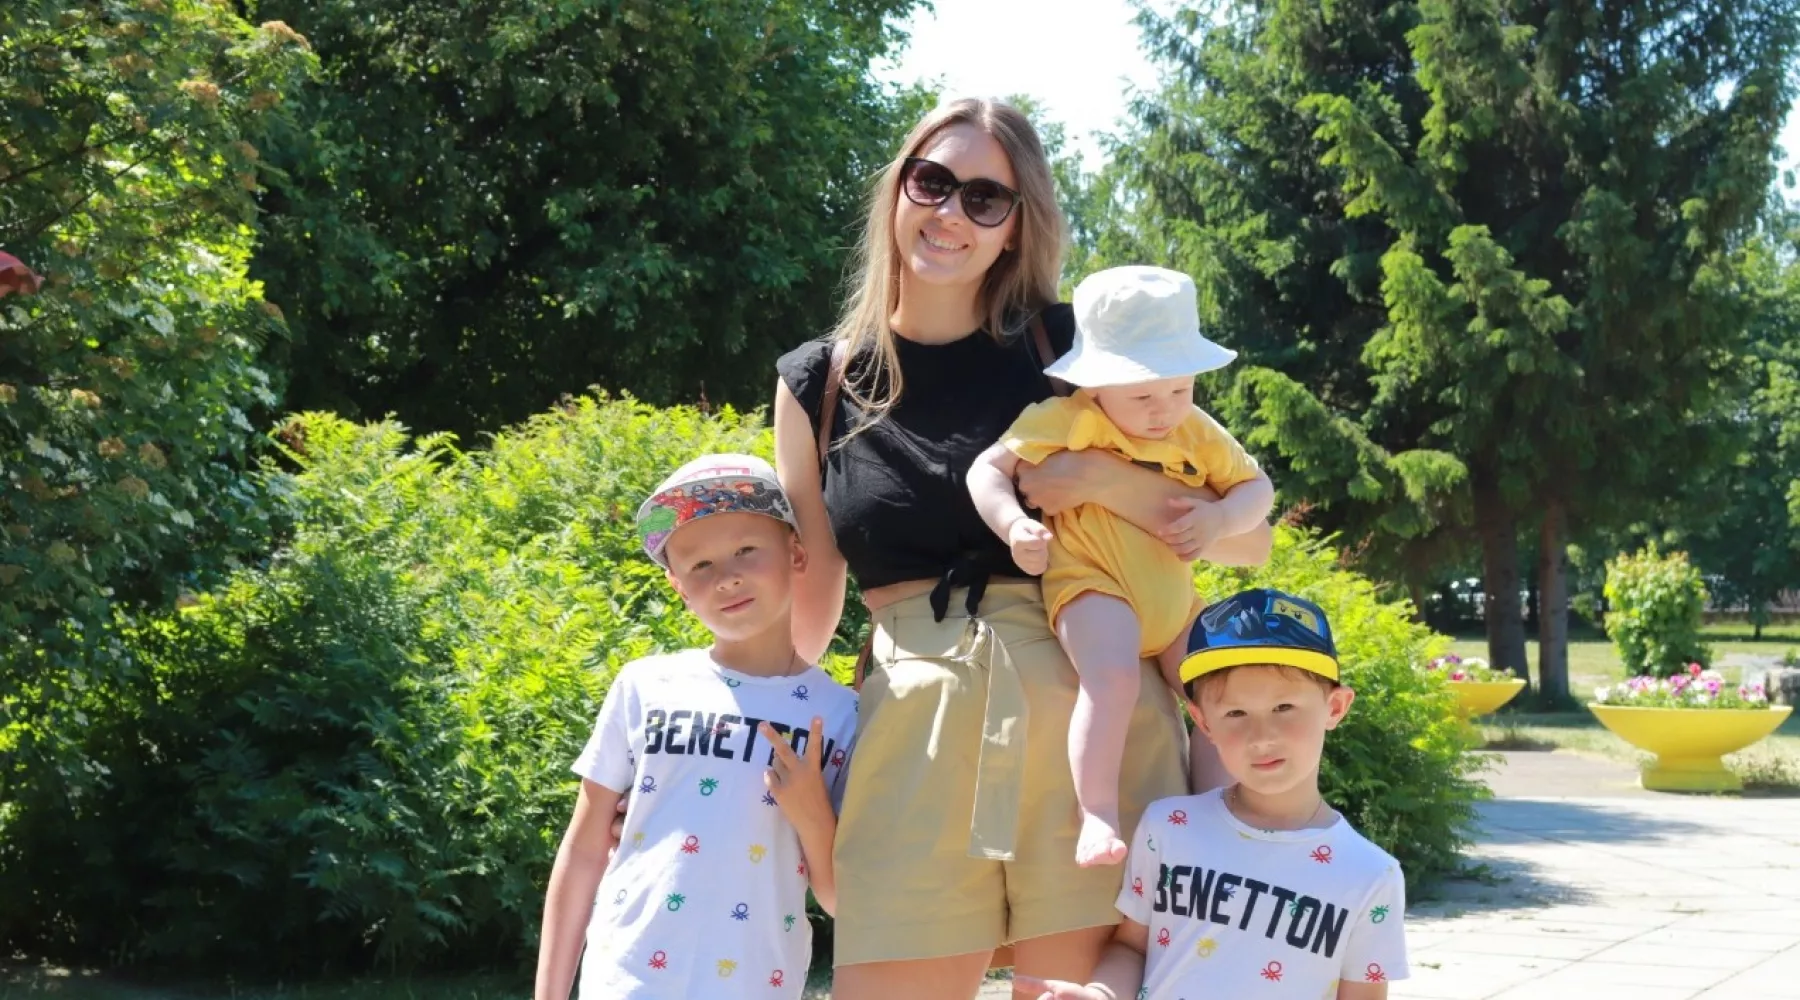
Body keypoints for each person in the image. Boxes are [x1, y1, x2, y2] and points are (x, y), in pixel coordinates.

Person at [770, 97, 1274, 1000]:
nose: (950, 213)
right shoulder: (821, 380)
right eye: (933, 182)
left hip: (1092, 724)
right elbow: (807, 613)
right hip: (913, 736)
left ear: (1017, 224)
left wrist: (1097, 482)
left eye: (985, 198)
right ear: (898, 188)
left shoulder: (1074, 348)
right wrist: (722, 737)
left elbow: (1248, 540)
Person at [968, 264, 1275, 868]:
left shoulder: (1195, 430)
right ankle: (1098, 815)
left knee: (1220, 694)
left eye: (1179, 391)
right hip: (1094, 585)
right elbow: (988, 470)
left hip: (1175, 606)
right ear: (1097, 384)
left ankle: (1220, 816)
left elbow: (1257, 490)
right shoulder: (1067, 419)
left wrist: (1220, 519)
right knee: (1112, 682)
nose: (1164, 411)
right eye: (1142, 396)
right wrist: (1012, 524)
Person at [534, 454, 859, 1000]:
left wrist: (812, 816)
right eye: (700, 565)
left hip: (756, 985)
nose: (727, 577)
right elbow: (584, 851)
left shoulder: (844, 716)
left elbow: (842, 900)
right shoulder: (644, 686)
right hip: (624, 980)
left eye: (746, 550)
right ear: (678, 587)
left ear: (796, 553)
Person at [1016, 589, 1410, 1000]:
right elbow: (1132, 947)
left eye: (1284, 708)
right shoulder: (1168, 827)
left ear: (1336, 707)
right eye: (1235, 713)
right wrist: (1103, 993)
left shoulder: (1370, 875)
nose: (1261, 737)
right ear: (1204, 723)